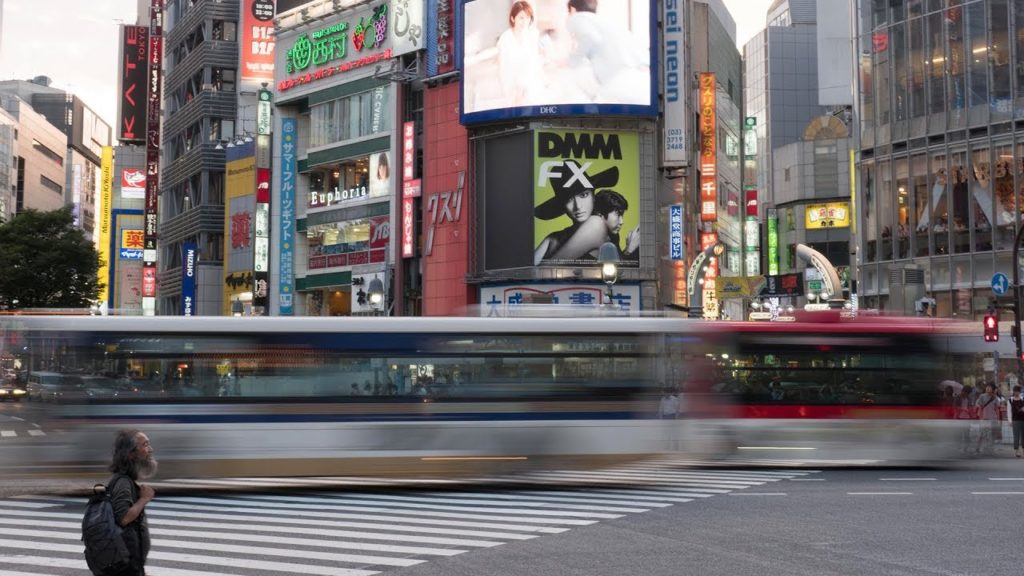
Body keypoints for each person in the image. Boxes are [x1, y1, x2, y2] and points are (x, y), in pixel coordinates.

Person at [534, 160, 619, 264]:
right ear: (563, 205)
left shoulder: (596, 223)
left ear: (593, 196)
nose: (578, 206)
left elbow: (546, 269)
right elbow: (529, 270)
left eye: (583, 195)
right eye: (569, 200)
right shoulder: (555, 237)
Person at [564, 0, 649, 104]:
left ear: (572, 9)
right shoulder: (608, 22)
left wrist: (571, 61)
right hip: (640, 81)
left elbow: (590, 37)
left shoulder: (576, 17)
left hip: (617, 81)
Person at [108, 429, 156, 576]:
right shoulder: (123, 482)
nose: (150, 449)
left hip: (132, 566)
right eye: (145, 445)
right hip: (127, 567)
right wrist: (144, 499)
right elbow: (123, 518)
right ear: (131, 454)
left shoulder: (127, 481)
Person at [548, 189, 639, 262]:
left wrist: (627, 249)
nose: (621, 221)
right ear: (601, 214)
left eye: (622, 215)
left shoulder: (613, 235)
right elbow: (553, 266)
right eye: (618, 215)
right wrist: (629, 250)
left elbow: (617, 267)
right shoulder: (595, 224)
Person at [497, 1, 546, 107]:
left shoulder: (533, 35)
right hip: (511, 85)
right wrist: (515, 91)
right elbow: (503, 68)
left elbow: (534, 62)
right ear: (513, 18)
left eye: (528, 17)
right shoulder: (505, 38)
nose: (525, 21)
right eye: (521, 18)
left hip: (531, 84)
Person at [975, 383, 1001, 456]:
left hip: (992, 418)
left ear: (992, 389)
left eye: (990, 388)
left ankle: (990, 449)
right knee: (981, 434)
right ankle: (977, 448)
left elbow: (997, 409)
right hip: (984, 418)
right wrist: (981, 416)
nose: (988, 389)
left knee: (991, 435)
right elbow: (979, 406)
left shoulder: (995, 398)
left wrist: (998, 419)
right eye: (987, 387)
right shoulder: (982, 396)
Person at [1009, 385, 1024, 458]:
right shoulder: (1010, 400)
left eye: (1018, 391)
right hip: (1015, 420)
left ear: (1020, 391)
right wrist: (1010, 420)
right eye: (1015, 391)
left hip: (1023, 419)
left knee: (1023, 436)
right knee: (1016, 436)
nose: (1016, 392)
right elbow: (1009, 411)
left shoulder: (1022, 399)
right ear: (1013, 391)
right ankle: (1016, 451)